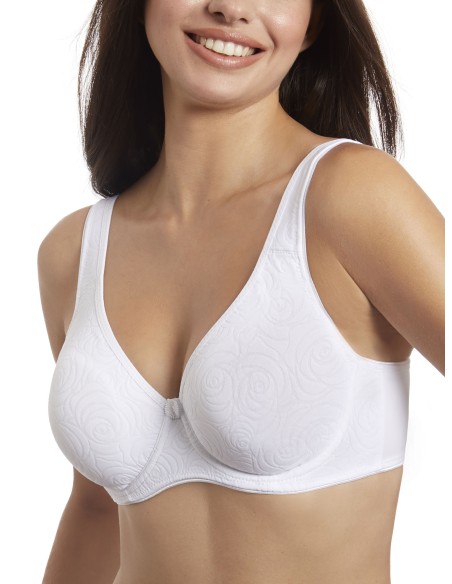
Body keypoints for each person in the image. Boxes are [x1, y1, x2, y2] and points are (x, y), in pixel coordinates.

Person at [38, 0, 445, 582]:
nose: (229, 8)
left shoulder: (349, 198)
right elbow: (95, 509)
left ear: (313, 23)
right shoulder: (73, 254)